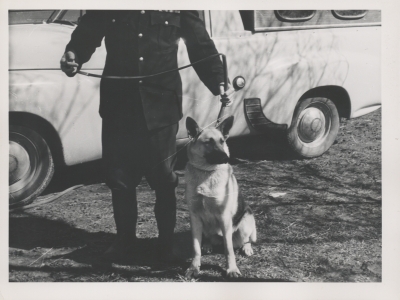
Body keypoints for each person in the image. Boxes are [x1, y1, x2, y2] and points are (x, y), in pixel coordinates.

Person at [60, 10, 233, 262]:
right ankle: (124, 241)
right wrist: (73, 55)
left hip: (161, 106)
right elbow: (87, 33)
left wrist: (218, 80)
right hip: (119, 106)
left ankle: (166, 244)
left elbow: (200, 44)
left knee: (163, 178)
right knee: (120, 179)